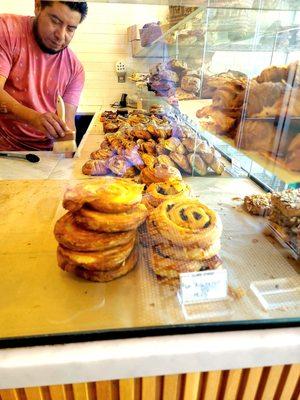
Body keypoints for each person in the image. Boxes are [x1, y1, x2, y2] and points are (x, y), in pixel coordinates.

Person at [0, 0, 88, 151]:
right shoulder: (6, 29)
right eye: (55, 21)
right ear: (38, 6)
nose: (61, 36)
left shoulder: (75, 70)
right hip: (3, 149)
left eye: (71, 29)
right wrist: (33, 118)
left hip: (45, 157)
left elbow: (67, 125)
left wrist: (68, 161)